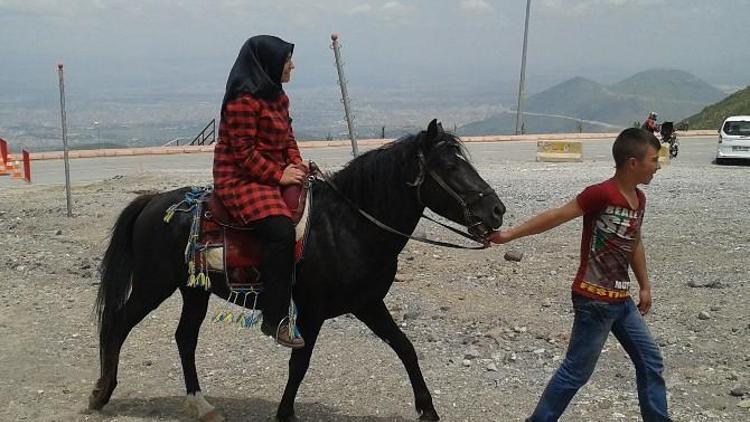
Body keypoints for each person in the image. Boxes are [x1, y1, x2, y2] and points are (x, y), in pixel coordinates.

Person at [489, 128, 670, 421]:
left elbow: (634, 241)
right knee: (575, 372)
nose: (658, 166)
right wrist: (509, 235)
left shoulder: (639, 199)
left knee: (650, 362)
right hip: (594, 300)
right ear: (632, 163)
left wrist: (645, 286)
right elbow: (558, 216)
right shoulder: (600, 193)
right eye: (653, 160)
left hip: (621, 302)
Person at [213, 35, 307, 349]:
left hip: (273, 172)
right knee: (281, 231)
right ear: (267, 64)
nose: (292, 65)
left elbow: (288, 137)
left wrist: (296, 164)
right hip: (241, 178)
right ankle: (275, 315)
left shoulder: (278, 97)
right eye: (286, 60)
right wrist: (279, 174)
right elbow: (243, 153)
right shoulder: (243, 100)